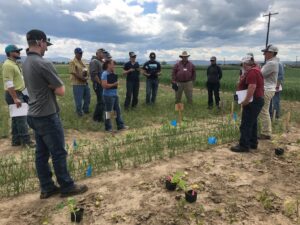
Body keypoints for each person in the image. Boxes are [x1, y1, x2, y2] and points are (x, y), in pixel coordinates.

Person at [22, 29, 88, 199]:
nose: (47, 48)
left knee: (41, 154)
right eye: (46, 44)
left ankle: (47, 187)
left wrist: (47, 86)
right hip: (47, 115)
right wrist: (51, 86)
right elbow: (61, 91)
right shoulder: (44, 63)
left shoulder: (25, 62)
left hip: (33, 114)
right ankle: (66, 186)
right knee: (58, 152)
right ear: (40, 42)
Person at [230, 55, 264, 152]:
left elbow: (252, 87)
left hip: (253, 101)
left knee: (246, 124)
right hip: (256, 100)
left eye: (243, 64)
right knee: (252, 123)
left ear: (247, 63)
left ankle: (244, 145)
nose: (243, 66)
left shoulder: (252, 72)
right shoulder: (256, 70)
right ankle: (253, 143)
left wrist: (246, 101)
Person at [2, 45, 33, 147]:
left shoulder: (14, 64)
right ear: (10, 52)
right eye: (17, 51)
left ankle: (16, 141)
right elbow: (9, 83)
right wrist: (15, 98)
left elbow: (18, 80)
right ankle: (26, 142)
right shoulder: (8, 65)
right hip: (14, 94)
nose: (19, 53)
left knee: (16, 119)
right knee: (22, 119)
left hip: (19, 93)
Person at [101, 59, 127, 132]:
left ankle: (120, 126)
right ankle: (108, 128)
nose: (114, 66)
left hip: (115, 95)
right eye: (113, 64)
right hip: (108, 96)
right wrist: (114, 84)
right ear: (108, 65)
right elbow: (104, 86)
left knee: (117, 111)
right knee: (109, 112)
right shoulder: (105, 74)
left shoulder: (112, 73)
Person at [259, 44, 279, 139]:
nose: (264, 54)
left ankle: (266, 133)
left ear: (271, 53)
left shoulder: (272, 63)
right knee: (264, 110)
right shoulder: (272, 62)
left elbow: (260, 74)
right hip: (268, 89)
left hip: (267, 89)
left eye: (265, 52)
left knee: (264, 111)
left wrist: (258, 68)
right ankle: (266, 131)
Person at [69, 47, 91, 116]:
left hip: (85, 83)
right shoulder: (72, 62)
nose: (81, 54)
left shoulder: (83, 61)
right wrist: (82, 78)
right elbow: (73, 72)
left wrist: (87, 76)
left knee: (88, 97)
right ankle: (79, 113)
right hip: (77, 84)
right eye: (79, 53)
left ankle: (85, 110)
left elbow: (86, 70)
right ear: (75, 53)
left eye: (81, 53)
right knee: (78, 100)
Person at [90, 48, 105, 122]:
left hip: (102, 84)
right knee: (101, 101)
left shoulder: (101, 61)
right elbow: (94, 74)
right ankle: (96, 118)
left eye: (104, 53)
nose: (103, 54)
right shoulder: (94, 61)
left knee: (102, 101)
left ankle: (100, 117)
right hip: (98, 84)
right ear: (97, 53)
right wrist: (100, 83)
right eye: (102, 53)